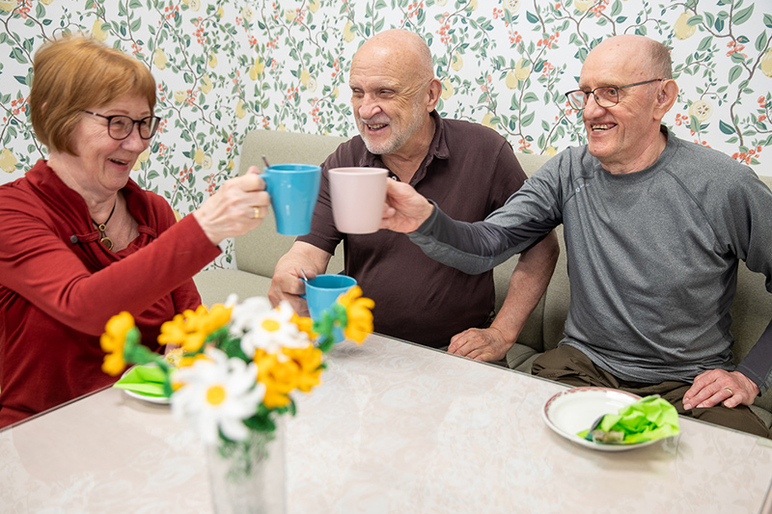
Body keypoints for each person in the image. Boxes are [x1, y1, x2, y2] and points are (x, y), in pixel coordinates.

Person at [379, 34, 772, 438]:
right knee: (510, 441)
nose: (590, 111)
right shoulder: (568, 171)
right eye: (585, 94)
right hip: (581, 368)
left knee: (748, 471)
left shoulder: (724, 185)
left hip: (687, 386)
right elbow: (486, 247)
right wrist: (425, 220)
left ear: (663, 97)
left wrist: (751, 375)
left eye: (610, 93)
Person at [0, 35, 272, 427]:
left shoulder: (153, 212)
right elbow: (83, 305)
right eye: (118, 123)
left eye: (144, 124)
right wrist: (207, 226)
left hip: (147, 427)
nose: (137, 143)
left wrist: (200, 347)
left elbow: (191, 326)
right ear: (55, 116)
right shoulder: (13, 211)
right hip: (42, 433)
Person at [268, 29, 559, 359]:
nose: (365, 110)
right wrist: (290, 272)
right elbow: (308, 252)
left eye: (385, 92)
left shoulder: (485, 152)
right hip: (364, 345)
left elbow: (542, 246)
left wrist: (502, 333)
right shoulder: (346, 162)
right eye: (357, 92)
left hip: (454, 353)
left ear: (430, 95)